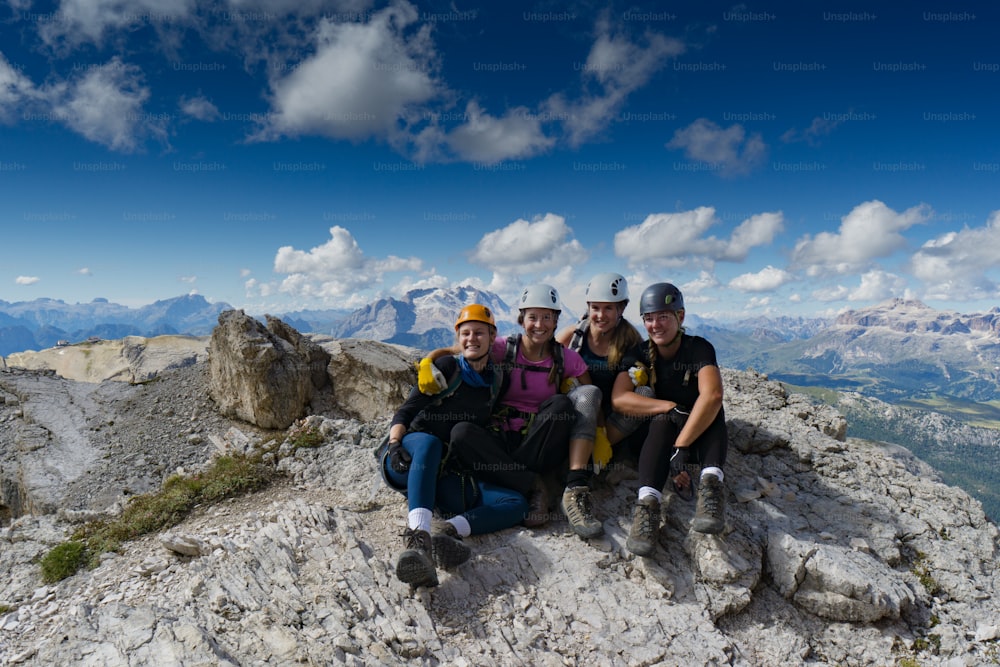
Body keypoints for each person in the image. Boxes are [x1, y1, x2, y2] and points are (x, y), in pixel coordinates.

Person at [417, 283, 605, 539]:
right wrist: (428, 362)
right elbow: (454, 351)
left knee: (560, 405)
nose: (539, 324)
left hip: (537, 443)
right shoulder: (503, 348)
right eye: (532, 317)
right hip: (500, 438)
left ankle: (519, 480)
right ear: (522, 319)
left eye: (547, 317)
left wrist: (600, 433)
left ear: (556, 320)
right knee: (461, 433)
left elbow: (589, 395)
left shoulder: (567, 359)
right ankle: (534, 485)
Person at [379, 304, 528, 588]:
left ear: (492, 336)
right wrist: (396, 444)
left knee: (515, 503)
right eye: (466, 333)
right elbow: (405, 412)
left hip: (445, 472)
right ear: (458, 337)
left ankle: (447, 531)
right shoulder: (447, 368)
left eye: (479, 333)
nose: (472, 339)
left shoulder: (495, 380)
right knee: (431, 444)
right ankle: (417, 540)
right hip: (409, 458)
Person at [610, 282, 728, 558]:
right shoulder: (639, 354)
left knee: (712, 409)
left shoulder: (699, 349)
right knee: (662, 419)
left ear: (680, 316)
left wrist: (682, 447)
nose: (655, 324)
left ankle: (711, 486)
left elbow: (712, 395)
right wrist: (670, 407)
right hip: (659, 437)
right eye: (649, 318)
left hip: (692, 436)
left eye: (663, 316)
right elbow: (619, 398)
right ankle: (648, 506)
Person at [555, 272, 649, 471]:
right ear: (588, 307)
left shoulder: (630, 342)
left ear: (621, 308)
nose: (600, 315)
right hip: (579, 409)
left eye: (608, 308)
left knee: (645, 394)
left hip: (612, 413)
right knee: (589, 394)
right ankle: (586, 453)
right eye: (595, 307)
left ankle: (598, 446)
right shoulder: (572, 338)